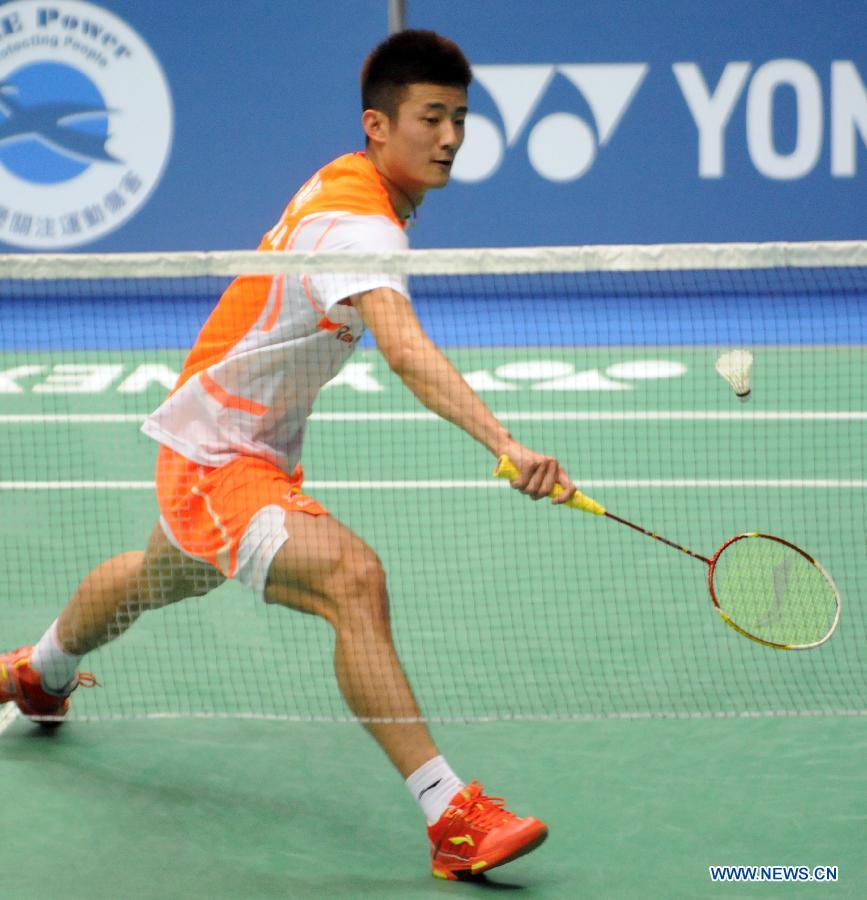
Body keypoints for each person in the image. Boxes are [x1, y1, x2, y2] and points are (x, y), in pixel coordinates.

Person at [0, 30, 577, 882]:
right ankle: (450, 813)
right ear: (378, 125)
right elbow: (405, 347)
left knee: (164, 575)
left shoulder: (349, 178)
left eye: (459, 117)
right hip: (214, 453)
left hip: (241, 445)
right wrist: (503, 443)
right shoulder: (361, 223)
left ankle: (38, 671)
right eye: (431, 117)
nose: (451, 136)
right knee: (353, 579)